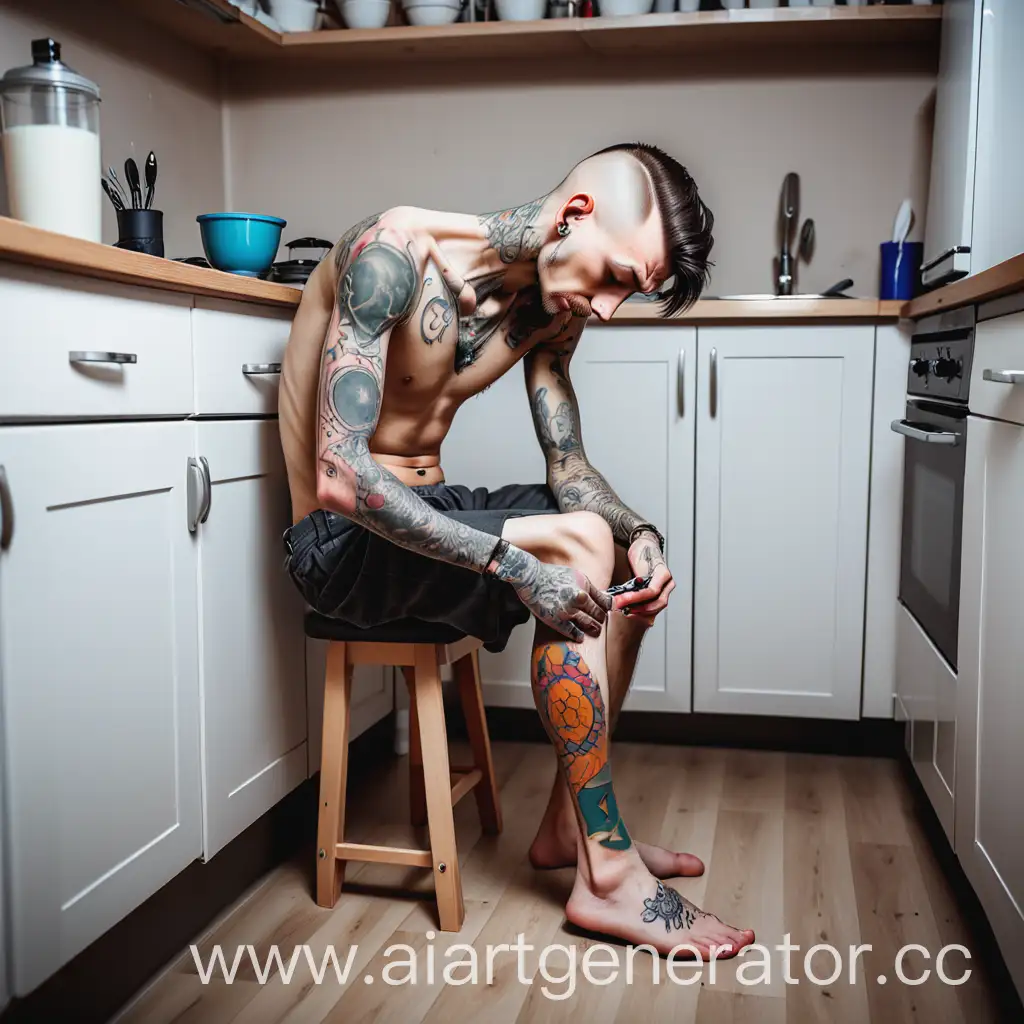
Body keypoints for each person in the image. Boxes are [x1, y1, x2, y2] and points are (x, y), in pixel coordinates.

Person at [279, 142, 755, 958]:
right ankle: (608, 877)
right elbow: (340, 478)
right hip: (335, 548)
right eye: (615, 277)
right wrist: (516, 566)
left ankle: (573, 832)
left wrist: (642, 536)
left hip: (425, 513)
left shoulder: (551, 308)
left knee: (607, 545)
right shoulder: (390, 255)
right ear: (574, 218)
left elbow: (568, 466)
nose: (607, 309)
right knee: (572, 547)